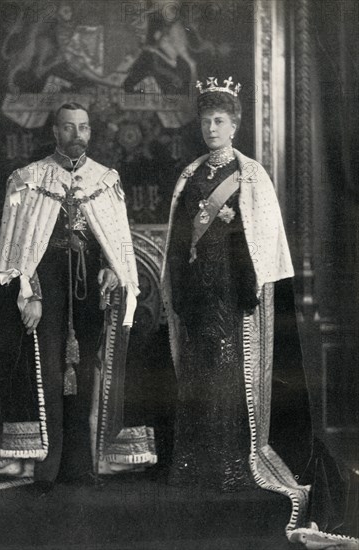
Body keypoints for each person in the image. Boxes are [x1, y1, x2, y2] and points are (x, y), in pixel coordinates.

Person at [0, 103, 156, 515]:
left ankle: (81, 467)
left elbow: (115, 244)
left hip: (88, 292)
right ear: (55, 132)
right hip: (45, 289)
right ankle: (45, 469)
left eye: (83, 127)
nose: (76, 134)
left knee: (85, 373)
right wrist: (28, 293)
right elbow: (17, 248)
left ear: (90, 131)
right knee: (46, 373)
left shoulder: (105, 180)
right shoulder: (28, 180)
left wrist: (113, 272)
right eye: (68, 128)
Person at [160, 78, 358, 547]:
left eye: (220, 121)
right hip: (199, 296)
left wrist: (244, 268)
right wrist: (183, 292)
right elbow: (176, 241)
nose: (211, 127)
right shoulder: (189, 175)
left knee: (230, 379)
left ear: (235, 125)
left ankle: (232, 466)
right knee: (197, 377)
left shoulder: (251, 176)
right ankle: (195, 465)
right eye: (206, 120)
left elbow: (262, 240)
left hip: (234, 294)